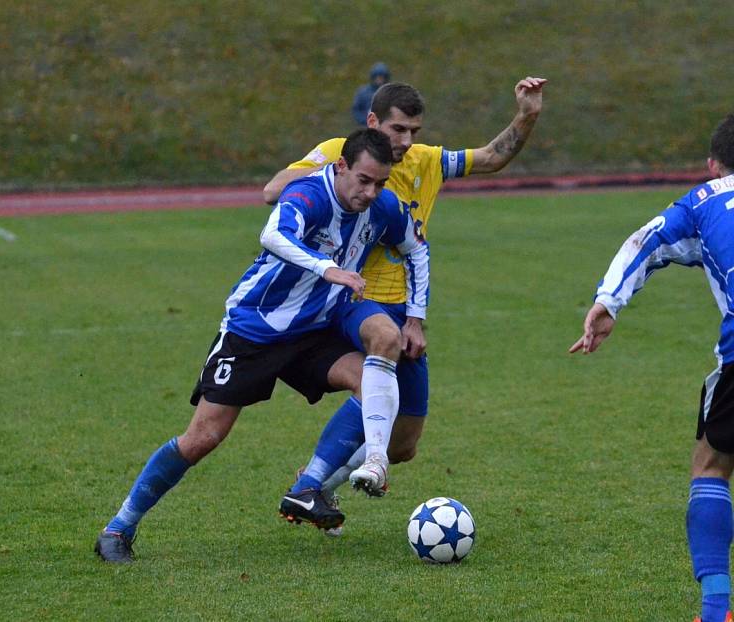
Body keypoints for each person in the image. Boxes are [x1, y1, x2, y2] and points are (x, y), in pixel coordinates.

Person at [95, 129, 429, 562]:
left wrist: (416, 317)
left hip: (312, 333)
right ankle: (118, 529)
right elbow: (272, 235)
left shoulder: (381, 207)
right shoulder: (310, 194)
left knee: (374, 384)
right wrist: (328, 269)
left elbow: (416, 249)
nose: (371, 192)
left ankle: (312, 485)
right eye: (364, 180)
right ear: (341, 166)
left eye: (380, 183)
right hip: (254, 330)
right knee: (203, 438)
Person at [263, 76, 547, 534]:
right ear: (373, 123)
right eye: (397, 130)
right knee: (383, 345)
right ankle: (322, 477)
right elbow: (275, 189)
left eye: (413, 130)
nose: (406, 140)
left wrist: (526, 115)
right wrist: (329, 171)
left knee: (405, 443)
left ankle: (318, 484)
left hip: (407, 303)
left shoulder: (426, 161)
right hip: (355, 296)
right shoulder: (343, 152)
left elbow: (491, 158)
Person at [569, 114, 734, 622]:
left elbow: (646, 242)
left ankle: (715, 611)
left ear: (712, 166)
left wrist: (607, 303)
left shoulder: (703, 202)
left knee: (711, 465)